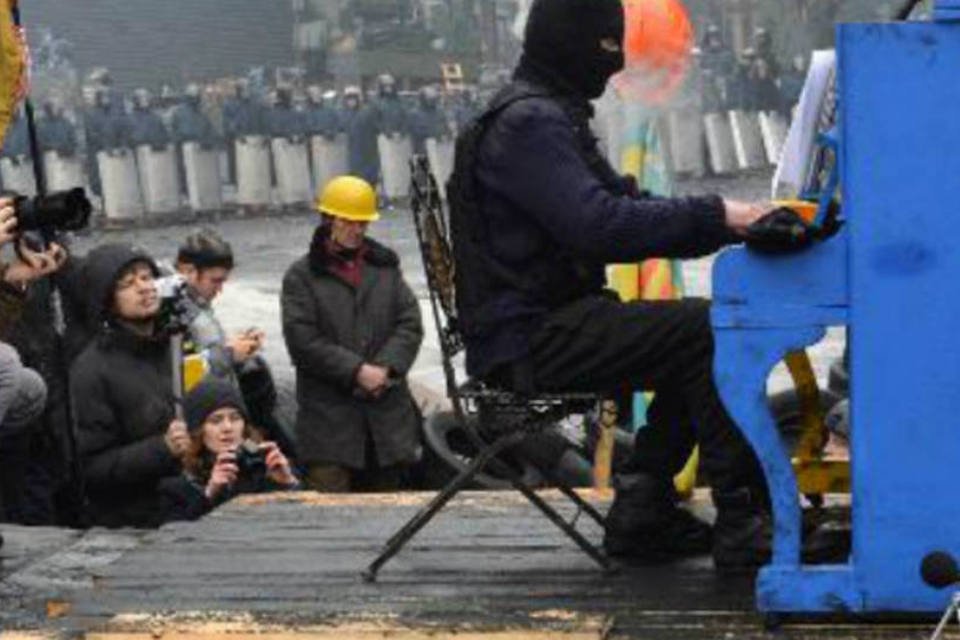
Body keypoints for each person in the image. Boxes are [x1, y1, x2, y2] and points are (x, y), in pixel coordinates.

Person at [447, 0, 826, 570]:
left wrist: (732, 221)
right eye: (606, 50)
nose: (614, 66)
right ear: (572, 47)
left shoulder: (548, 114)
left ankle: (643, 510)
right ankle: (747, 522)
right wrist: (721, 213)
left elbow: (626, 205)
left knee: (693, 335)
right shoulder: (531, 124)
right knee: (707, 329)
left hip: (533, 326)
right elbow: (598, 226)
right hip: (530, 338)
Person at [281, 176, 423, 492]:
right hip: (330, 432)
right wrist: (357, 371)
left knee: (391, 514)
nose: (357, 230)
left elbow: (410, 323)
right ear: (328, 219)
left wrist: (385, 368)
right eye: (349, 222)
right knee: (333, 521)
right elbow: (303, 342)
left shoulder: (385, 269)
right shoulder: (301, 277)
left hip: (387, 429)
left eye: (363, 223)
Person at [70, 244, 186, 528]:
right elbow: (91, 469)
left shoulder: (177, 345)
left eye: (147, 278)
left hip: (190, 502)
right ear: (106, 300)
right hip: (136, 521)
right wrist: (162, 448)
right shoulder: (91, 370)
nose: (144, 288)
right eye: (128, 284)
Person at [174, 229, 296, 461]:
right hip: (204, 425)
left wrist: (238, 353)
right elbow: (179, 374)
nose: (220, 290)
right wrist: (230, 354)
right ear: (188, 272)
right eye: (215, 281)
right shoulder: (175, 316)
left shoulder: (197, 309)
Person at [157, 378, 299, 523]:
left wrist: (288, 484)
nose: (227, 427)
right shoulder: (178, 488)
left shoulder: (264, 470)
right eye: (216, 420)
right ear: (198, 432)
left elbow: (299, 523)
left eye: (235, 418)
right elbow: (177, 537)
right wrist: (209, 495)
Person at [341, 86, 380, 185]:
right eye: (348, 99)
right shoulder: (344, 114)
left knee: (370, 180)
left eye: (353, 98)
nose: (351, 101)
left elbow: (376, 127)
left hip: (368, 152)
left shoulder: (367, 112)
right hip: (354, 153)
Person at [408, 86, 451, 156]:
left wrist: (447, 135)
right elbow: (415, 132)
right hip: (422, 149)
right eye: (429, 99)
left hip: (439, 148)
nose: (432, 101)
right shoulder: (415, 113)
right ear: (422, 99)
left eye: (433, 99)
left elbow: (446, 127)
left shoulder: (440, 111)